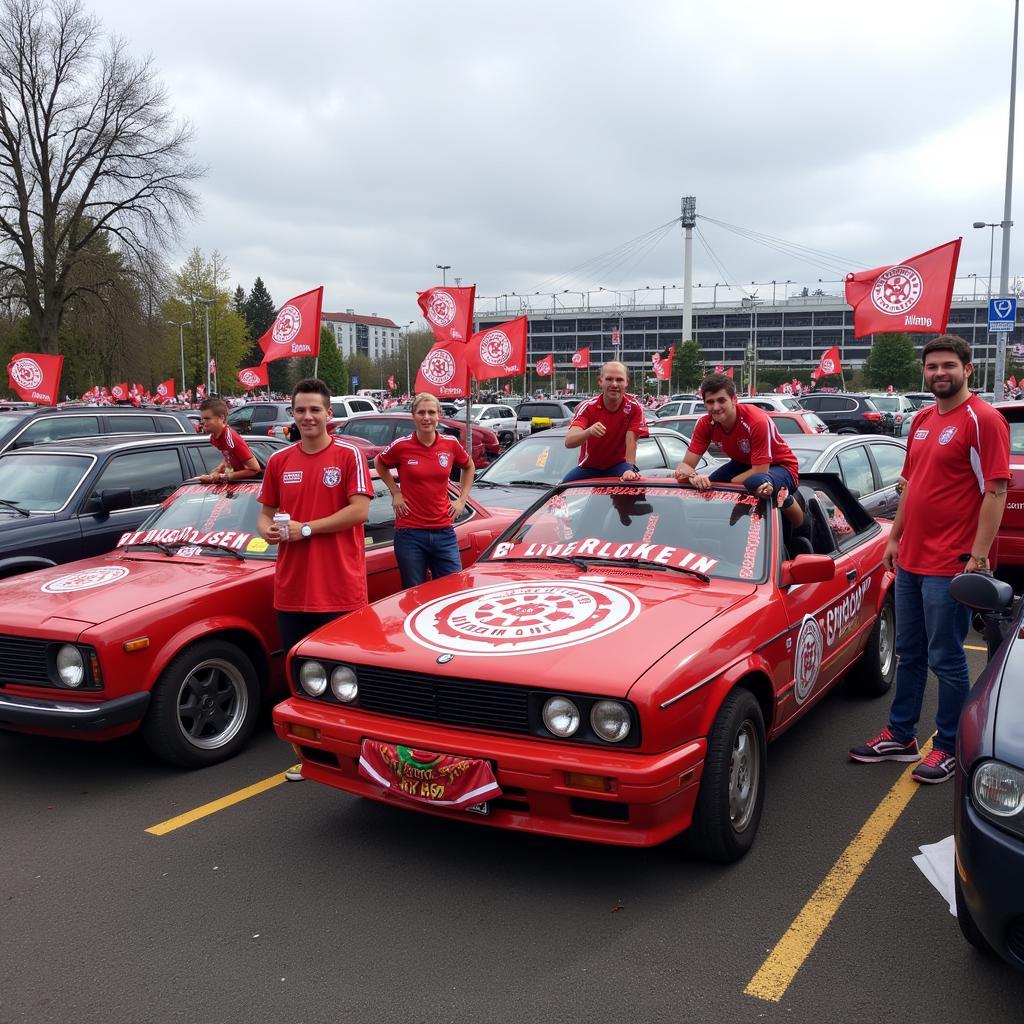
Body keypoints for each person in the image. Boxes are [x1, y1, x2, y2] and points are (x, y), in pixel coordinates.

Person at [850, 335, 1010, 783]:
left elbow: (995, 491)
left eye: (948, 366)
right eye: (932, 366)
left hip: (951, 564)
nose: (939, 373)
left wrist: (977, 557)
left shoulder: (983, 420)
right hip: (912, 560)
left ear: (967, 370)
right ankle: (901, 736)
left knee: (947, 656)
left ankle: (947, 745)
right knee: (909, 652)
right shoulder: (921, 418)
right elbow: (910, 487)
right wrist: (895, 538)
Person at [257, 379, 372, 781]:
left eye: (315, 410)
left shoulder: (348, 456)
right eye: (301, 410)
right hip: (291, 589)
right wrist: (268, 530)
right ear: (293, 414)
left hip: (339, 587)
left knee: (344, 681)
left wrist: (305, 529)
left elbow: (359, 513)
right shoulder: (279, 462)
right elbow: (265, 514)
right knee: (302, 682)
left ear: (329, 415)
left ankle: (359, 758)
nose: (308, 417)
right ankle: (309, 755)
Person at [672, 372, 804, 528]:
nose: (716, 407)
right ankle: (728, 527)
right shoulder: (705, 423)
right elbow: (683, 469)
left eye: (721, 400)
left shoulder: (757, 420)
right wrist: (694, 476)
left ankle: (799, 519)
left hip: (781, 467)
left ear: (734, 399)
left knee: (755, 483)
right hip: (742, 464)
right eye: (710, 402)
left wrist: (729, 481)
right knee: (708, 486)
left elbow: (759, 471)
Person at [374, 393, 474, 587]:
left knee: (453, 589)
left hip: (444, 531)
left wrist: (461, 500)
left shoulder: (450, 444)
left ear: (439, 415)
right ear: (413, 416)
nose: (426, 417)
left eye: (431, 412)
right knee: (414, 592)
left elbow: (469, 467)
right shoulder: (401, 446)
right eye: (421, 412)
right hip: (410, 533)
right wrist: (395, 492)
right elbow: (380, 463)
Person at [562, 361, 646, 482]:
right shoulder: (587, 407)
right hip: (588, 468)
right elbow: (569, 442)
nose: (614, 384)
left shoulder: (635, 407)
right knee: (560, 493)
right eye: (609, 379)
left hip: (620, 466)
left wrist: (629, 468)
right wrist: (589, 432)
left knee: (633, 488)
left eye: (619, 380)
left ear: (627, 382)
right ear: (600, 382)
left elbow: (631, 441)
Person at [197, 397, 260, 483]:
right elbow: (229, 458)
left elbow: (255, 469)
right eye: (202, 419)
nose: (203, 422)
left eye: (207, 418)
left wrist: (224, 476)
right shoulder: (214, 438)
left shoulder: (231, 439)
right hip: (234, 486)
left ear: (221, 418)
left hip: (247, 487)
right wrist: (217, 471)